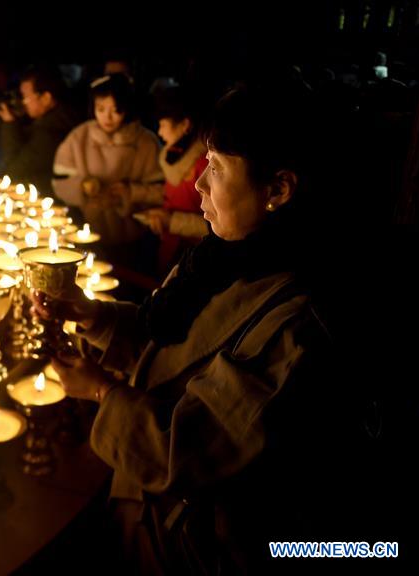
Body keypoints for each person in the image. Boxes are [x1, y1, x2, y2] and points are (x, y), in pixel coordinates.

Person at [32, 78, 357, 573]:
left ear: (279, 189)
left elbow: (189, 453)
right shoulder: (224, 255)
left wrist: (100, 391)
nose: (200, 183)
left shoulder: (297, 322)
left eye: (220, 168)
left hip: (193, 547)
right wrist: (93, 316)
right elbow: (171, 346)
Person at [52, 74, 164, 250]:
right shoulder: (79, 137)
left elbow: (163, 191)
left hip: (133, 238)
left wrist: (130, 192)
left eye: (116, 110)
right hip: (85, 232)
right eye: (100, 109)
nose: (107, 117)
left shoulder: (146, 142)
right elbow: (59, 181)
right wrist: (82, 185)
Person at [136, 85, 209, 276]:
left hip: (195, 258)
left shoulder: (204, 165)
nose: (159, 133)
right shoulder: (176, 158)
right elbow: (170, 194)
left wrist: (171, 221)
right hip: (172, 248)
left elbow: (215, 226)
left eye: (163, 125)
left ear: (184, 125)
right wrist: (129, 193)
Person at [0, 66, 76, 192]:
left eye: (25, 96)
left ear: (46, 98)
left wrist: (10, 124)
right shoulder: (58, 120)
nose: (23, 102)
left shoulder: (51, 133)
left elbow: (14, 170)